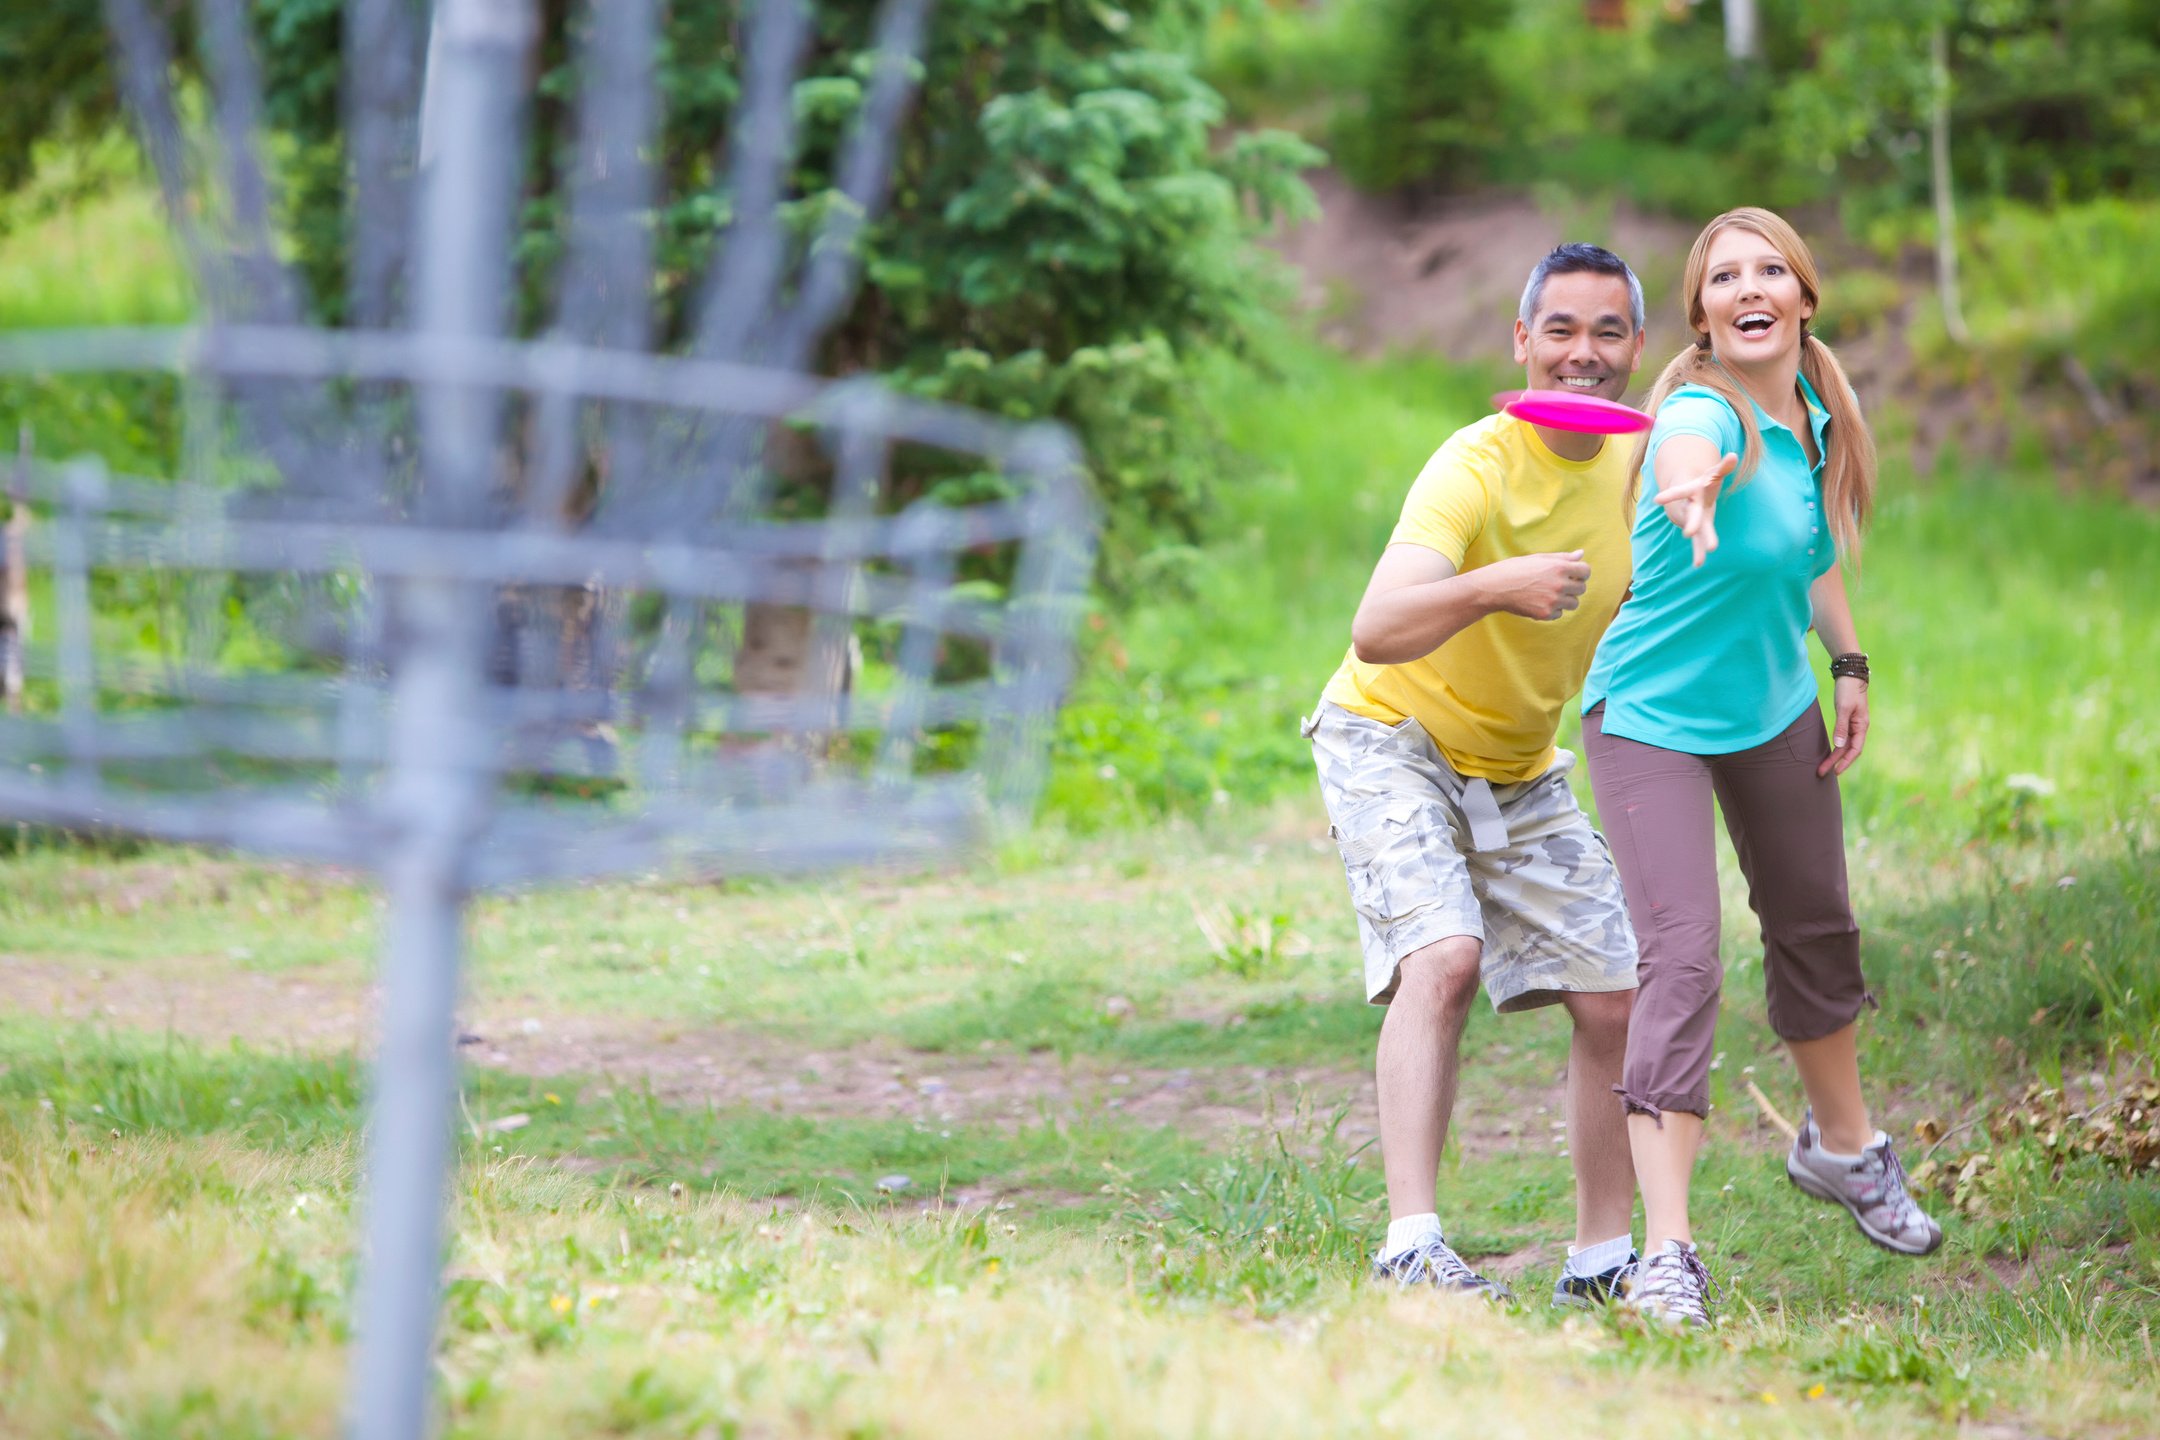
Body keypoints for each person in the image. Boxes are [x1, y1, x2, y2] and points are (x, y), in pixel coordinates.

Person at [1580, 207, 1942, 1328]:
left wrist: (1849, 662)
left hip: (1772, 705)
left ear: (1801, 298)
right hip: (1651, 715)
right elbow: (1695, 452)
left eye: (1769, 270)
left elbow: (1812, 549)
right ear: (1699, 315)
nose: (1749, 287)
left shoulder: (1812, 416)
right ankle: (1668, 1256)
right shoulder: (1701, 409)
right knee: (1684, 956)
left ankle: (1845, 1150)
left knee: (1816, 923)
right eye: (1723, 275)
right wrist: (1684, 487)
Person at [1305, 243, 1646, 1306]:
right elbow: (1376, 626)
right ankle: (1411, 1243)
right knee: (1443, 957)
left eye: (1606, 332)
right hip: (1388, 733)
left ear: (1637, 349)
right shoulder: (1476, 462)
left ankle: (1598, 1261)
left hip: (1518, 762)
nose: (1581, 354)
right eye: (1560, 330)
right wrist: (1494, 584)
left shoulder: (1648, 471)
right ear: (1521, 343)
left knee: (1613, 996)